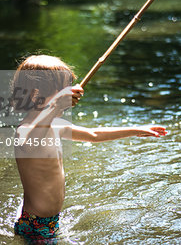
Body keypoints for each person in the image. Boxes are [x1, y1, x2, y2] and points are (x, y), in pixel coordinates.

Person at [11, 55, 167, 243]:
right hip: (36, 225)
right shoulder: (25, 131)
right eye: (61, 92)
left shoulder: (56, 124)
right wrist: (55, 107)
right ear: (35, 95)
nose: (68, 97)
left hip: (51, 221)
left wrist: (135, 130)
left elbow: (93, 135)